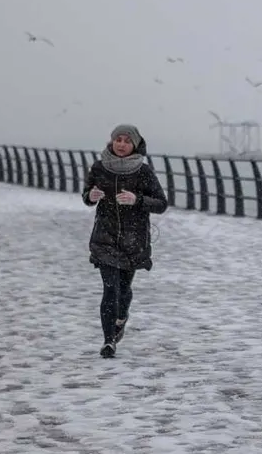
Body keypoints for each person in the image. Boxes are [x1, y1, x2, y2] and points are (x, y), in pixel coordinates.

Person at [83, 124, 168, 358]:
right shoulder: (99, 167)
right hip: (105, 238)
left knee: (123, 290)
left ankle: (121, 317)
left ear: (135, 145)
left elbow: (161, 203)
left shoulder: (143, 171)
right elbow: (86, 195)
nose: (121, 144)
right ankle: (108, 341)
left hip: (133, 240)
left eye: (127, 141)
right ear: (111, 142)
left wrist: (137, 200)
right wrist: (91, 196)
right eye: (118, 139)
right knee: (110, 289)